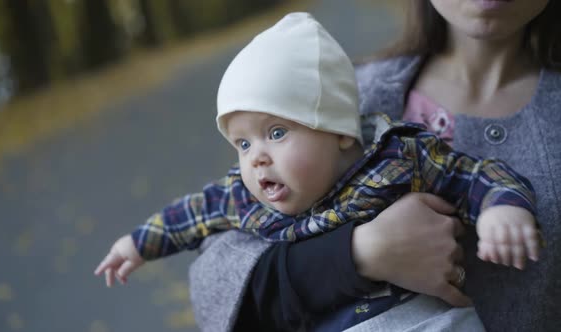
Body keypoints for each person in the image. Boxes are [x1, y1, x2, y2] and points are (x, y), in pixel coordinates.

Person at [94, 12, 542, 330]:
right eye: (243, 143)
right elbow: (191, 218)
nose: (256, 158)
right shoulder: (245, 195)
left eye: (276, 132)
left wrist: (501, 209)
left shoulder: (395, 156)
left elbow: (475, 175)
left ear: (340, 133)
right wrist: (137, 242)